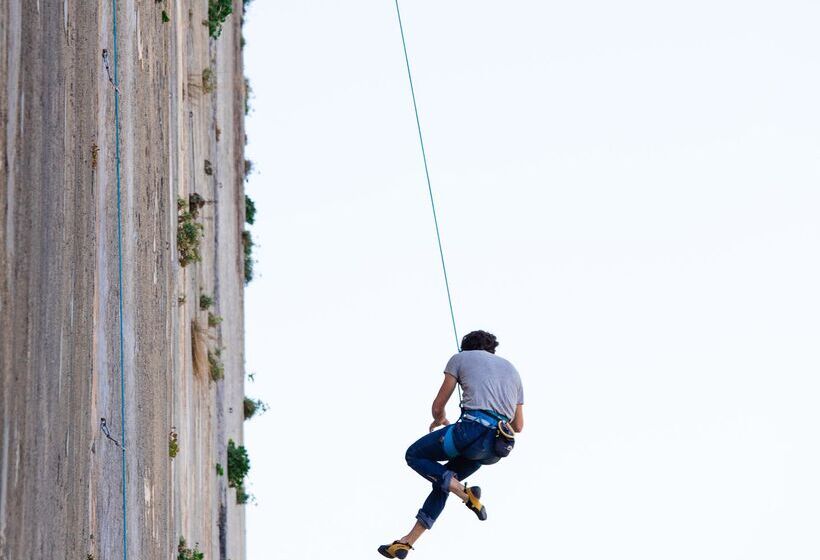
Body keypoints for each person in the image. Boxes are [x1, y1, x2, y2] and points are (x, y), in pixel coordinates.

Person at [378, 330, 524, 559]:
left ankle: (465, 494)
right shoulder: (513, 372)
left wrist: (440, 419)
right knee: (444, 480)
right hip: (494, 448)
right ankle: (406, 542)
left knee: (415, 455)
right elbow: (519, 426)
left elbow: (437, 407)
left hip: (469, 432)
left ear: (465, 347)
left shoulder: (461, 358)